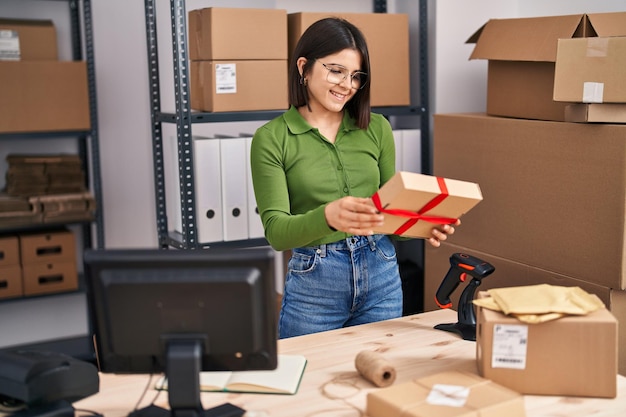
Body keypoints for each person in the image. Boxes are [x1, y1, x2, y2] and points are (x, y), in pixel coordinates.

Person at [250, 17, 459, 339]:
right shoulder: (272, 138)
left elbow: (389, 214)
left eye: (356, 76)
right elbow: (277, 232)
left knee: (381, 371)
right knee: (310, 377)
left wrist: (422, 224)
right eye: (336, 70)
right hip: (315, 284)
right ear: (304, 67)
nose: (347, 85)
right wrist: (328, 217)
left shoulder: (377, 128)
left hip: (382, 273)